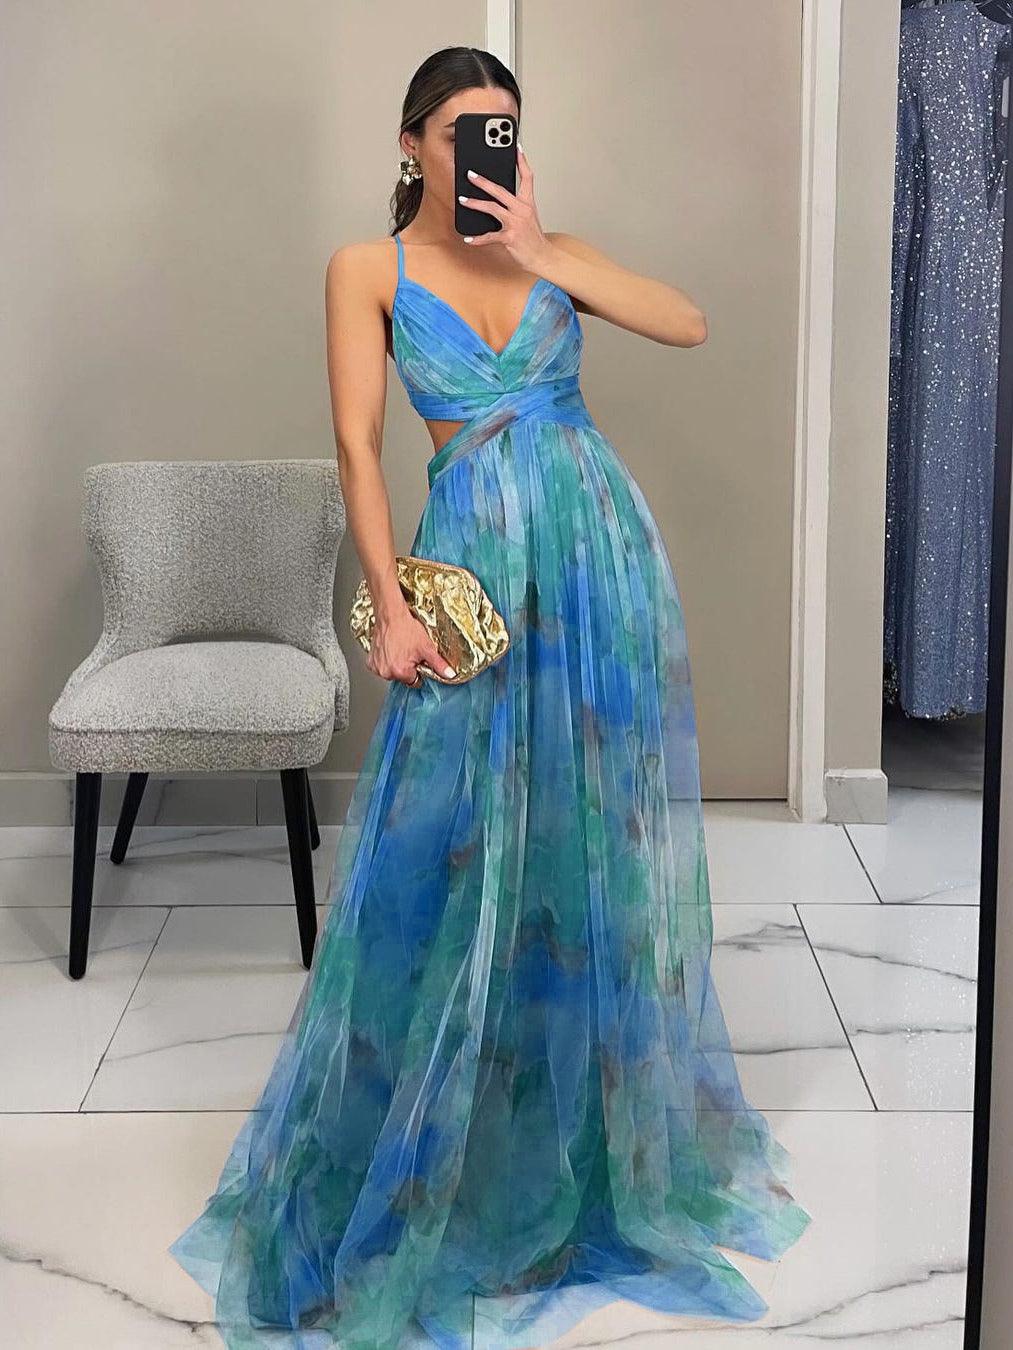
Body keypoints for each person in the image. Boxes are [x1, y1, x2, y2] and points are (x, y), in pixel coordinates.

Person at [169, 45, 811, 1350]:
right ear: (414, 142)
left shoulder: (550, 249)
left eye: (506, 127)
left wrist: (540, 251)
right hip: (468, 569)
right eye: (466, 127)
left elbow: (687, 321)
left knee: (585, 837)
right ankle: (437, 1138)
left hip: (595, 559)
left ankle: (570, 1136)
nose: (487, 148)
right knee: (447, 843)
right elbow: (356, 443)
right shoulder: (368, 268)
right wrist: (389, 604)